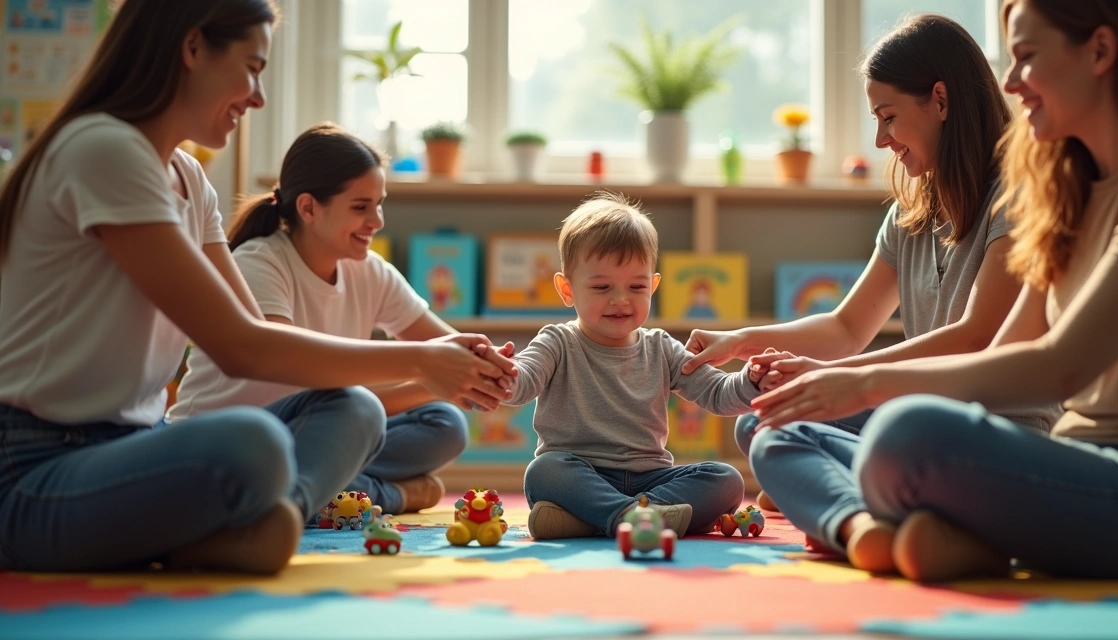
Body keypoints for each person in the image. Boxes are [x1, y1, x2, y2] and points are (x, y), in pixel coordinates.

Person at [0, 0, 513, 575]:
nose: (258, 97)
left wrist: (443, 362)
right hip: (34, 468)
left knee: (354, 407)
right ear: (193, 48)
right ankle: (238, 526)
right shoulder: (102, 149)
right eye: (252, 67)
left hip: (132, 448)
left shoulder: (190, 179)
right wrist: (421, 363)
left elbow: (263, 347)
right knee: (251, 442)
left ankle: (272, 521)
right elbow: (242, 347)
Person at [751, 0, 1118, 581]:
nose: (1012, 81)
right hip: (1083, 464)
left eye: (1025, 57)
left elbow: (1059, 367)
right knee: (779, 433)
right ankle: (958, 537)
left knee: (907, 435)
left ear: (1100, 50)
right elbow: (1007, 348)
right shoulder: (1070, 188)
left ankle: (936, 524)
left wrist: (865, 383)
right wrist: (849, 387)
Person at [683, 13, 1058, 513]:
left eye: (888, 116)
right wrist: (745, 340)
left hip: (998, 426)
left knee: (851, 432)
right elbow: (846, 326)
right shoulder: (912, 213)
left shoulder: (1016, 196)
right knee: (761, 420)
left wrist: (836, 379)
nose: (881, 140)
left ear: (941, 101)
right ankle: (871, 495)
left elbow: (978, 337)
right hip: (919, 415)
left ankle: (835, 493)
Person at [169, 123, 478, 515]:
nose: (377, 220)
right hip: (236, 437)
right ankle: (380, 494)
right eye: (361, 207)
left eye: (379, 203)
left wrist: (484, 366)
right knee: (353, 406)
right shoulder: (259, 264)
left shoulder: (370, 270)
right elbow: (307, 387)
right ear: (309, 208)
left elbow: (449, 344)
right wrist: (431, 373)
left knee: (444, 422)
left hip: (323, 428)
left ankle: (326, 487)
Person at [506, 193, 760, 540]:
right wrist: (503, 373)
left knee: (727, 481)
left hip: (651, 478)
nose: (620, 299)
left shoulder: (661, 347)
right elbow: (523, 380)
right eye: (601, 287)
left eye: (636, 286)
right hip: (581, 474)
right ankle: (632, 516)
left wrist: (753, 381)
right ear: (567, 290)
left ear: (653, 286)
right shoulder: (557, 342)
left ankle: (599, 519)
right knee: (544, 471)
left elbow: (718, 393)